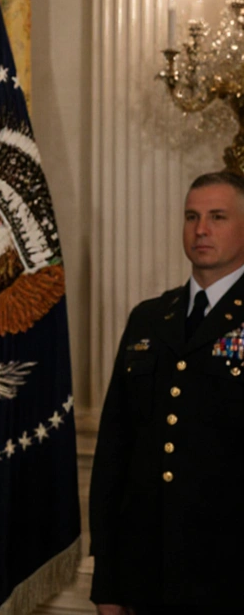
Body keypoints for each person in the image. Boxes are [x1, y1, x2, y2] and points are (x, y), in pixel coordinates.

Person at [90, 170, 244, 615]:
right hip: (146, 578)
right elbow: (113, 456)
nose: (201, 230)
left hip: (229, 579)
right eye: (191, 216)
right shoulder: (150, 318)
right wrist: (108, 583)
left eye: (218, 217)